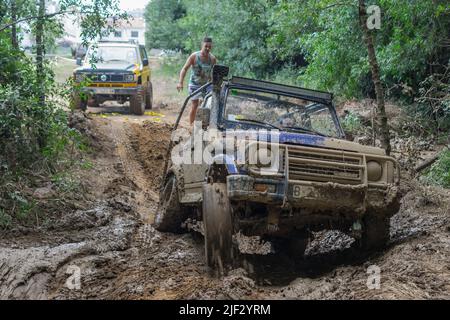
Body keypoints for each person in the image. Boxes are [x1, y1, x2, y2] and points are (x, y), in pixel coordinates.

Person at [177, 37, 217, 125]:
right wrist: (180, 82)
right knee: (195, 105)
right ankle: (191, 125)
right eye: (206, 46)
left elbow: (214, 73)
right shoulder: (194, 56)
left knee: (209, 103)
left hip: (206, 85)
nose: (207, 48)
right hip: (194, 84)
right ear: (201, 45)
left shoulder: (213, 59)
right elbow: (184, 69)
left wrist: (214, 83)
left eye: (209, 47)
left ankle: (205, 124)